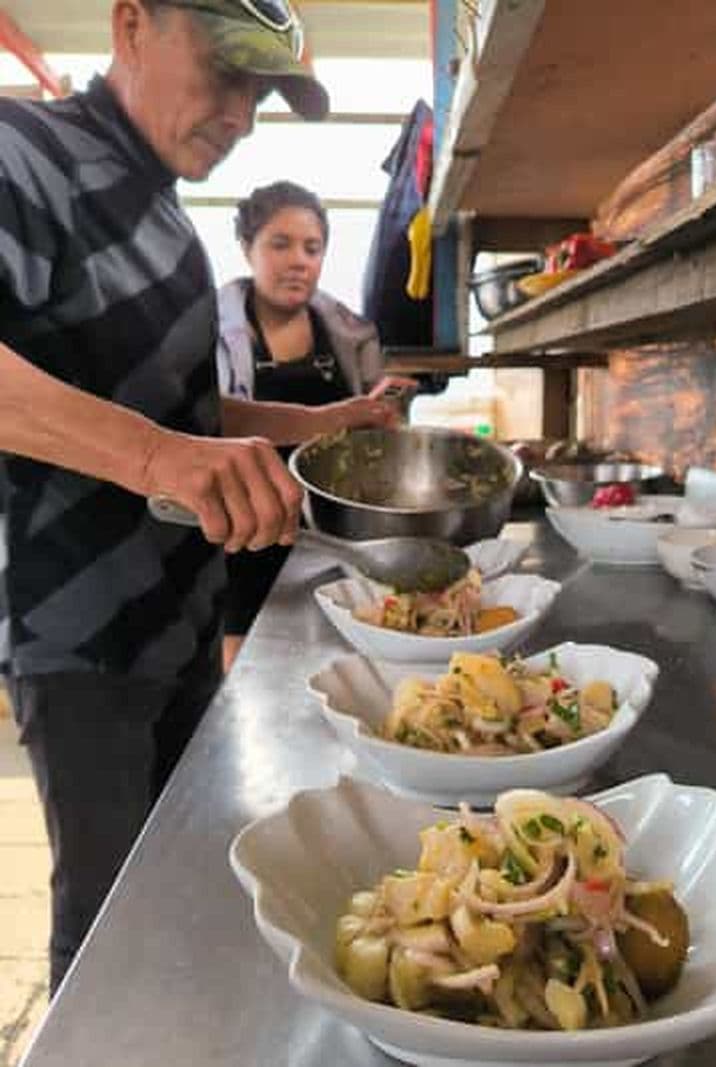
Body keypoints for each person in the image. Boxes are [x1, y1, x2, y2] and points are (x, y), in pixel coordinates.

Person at [0, 0, 394, 994]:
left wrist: (315, 425)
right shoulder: (26, 153)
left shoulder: (167, 214)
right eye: (225, 73)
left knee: (178, 887)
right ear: (132, 24)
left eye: (259, 90)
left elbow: (167, 403)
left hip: (181, 619)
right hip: (82, 637)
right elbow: (154, 440)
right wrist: (159, 459)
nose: (241, 113)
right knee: (106, 928)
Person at [216, 180, 414, 668]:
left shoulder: (351, 333)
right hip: (249, 527)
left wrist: (388, 413)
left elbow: (378, 440)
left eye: (313, 247)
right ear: (247, 249)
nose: (299, 260)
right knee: (246, 673)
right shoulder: (211, 332)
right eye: (279, 244)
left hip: (337, 533)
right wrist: (326, 419)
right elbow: (207, 425)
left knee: (342, 662)